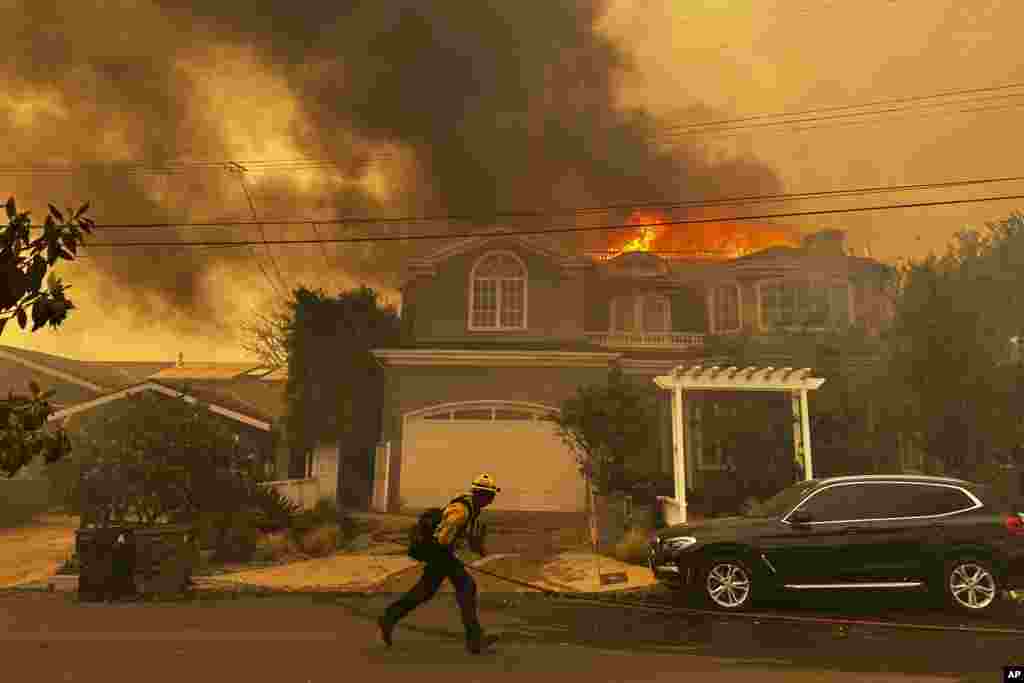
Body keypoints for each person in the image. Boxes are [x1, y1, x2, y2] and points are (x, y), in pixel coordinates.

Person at [378, 473, 500, 654]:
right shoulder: (461, 511)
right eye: (490, 496)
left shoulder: (471, 506)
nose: (492, 500)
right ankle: (475, 639)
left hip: (442, 554)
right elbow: (442, 539)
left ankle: (389, 617)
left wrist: (470, 544)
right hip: (439, 553)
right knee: (466, 587)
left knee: (424, 592)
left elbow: (453, 533)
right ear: (482, 495)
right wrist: (451, 560)